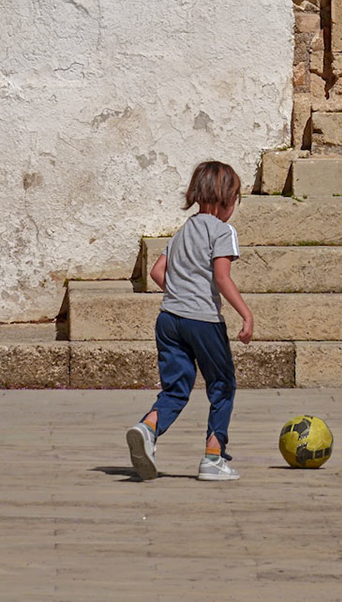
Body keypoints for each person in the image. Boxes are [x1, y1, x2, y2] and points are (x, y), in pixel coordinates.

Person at [125, 161, 254, 481]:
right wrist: (246, 313)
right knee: (222, 386)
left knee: (176, 388)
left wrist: (180, 295)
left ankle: (148, 428)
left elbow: (157, 272)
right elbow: (222, 277)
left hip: (169, 319)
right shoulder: (223, 231)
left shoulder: (184, 230)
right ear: (227, 199)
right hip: (204, 322)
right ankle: (213, 458)